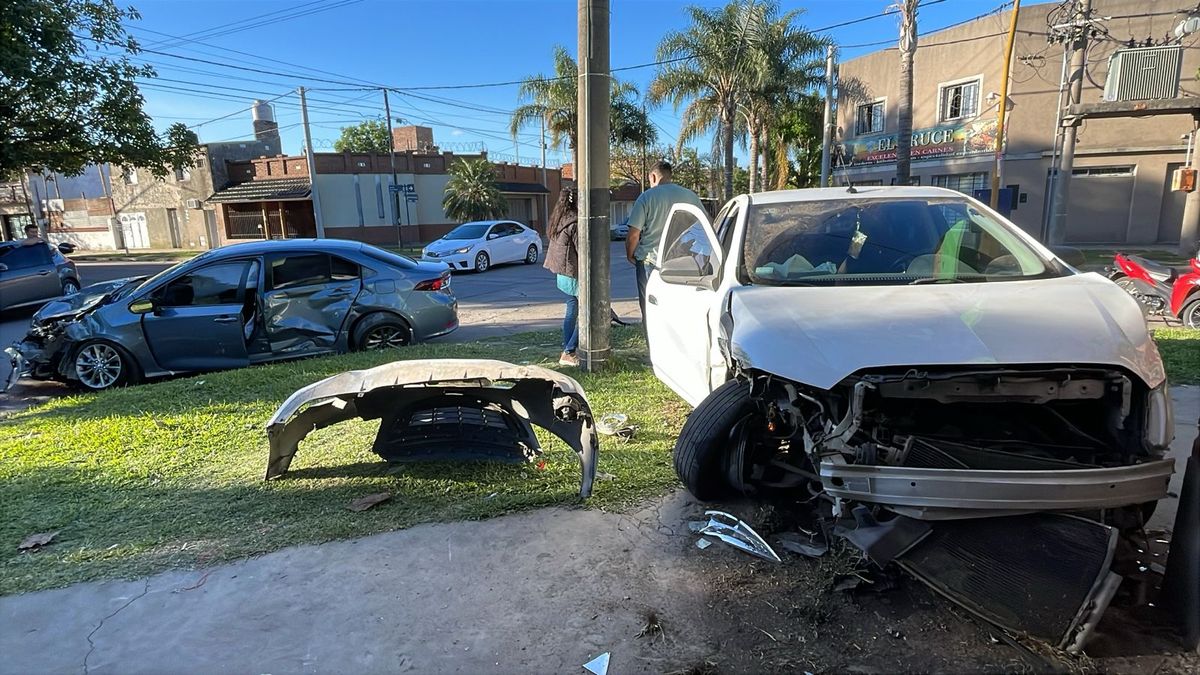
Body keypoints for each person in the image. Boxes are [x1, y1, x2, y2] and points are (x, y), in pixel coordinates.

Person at [625, 160, 704, 326]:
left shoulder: (647, 197)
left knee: (650, 310)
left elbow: (633, 235)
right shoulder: (690, 196)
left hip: (651, 262)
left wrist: (630, 255)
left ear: (653, 177)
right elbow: (704, 227)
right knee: (680, 309)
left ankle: (652, 341)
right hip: (684, 262)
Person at [543, 187, 581, 367]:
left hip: (563, 273)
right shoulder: (575, 222)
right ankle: (569, 351)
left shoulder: (559, 219)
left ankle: (568, 350)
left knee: (572, 311)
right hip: (574, 273)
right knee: (590, 314)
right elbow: (582, 251)